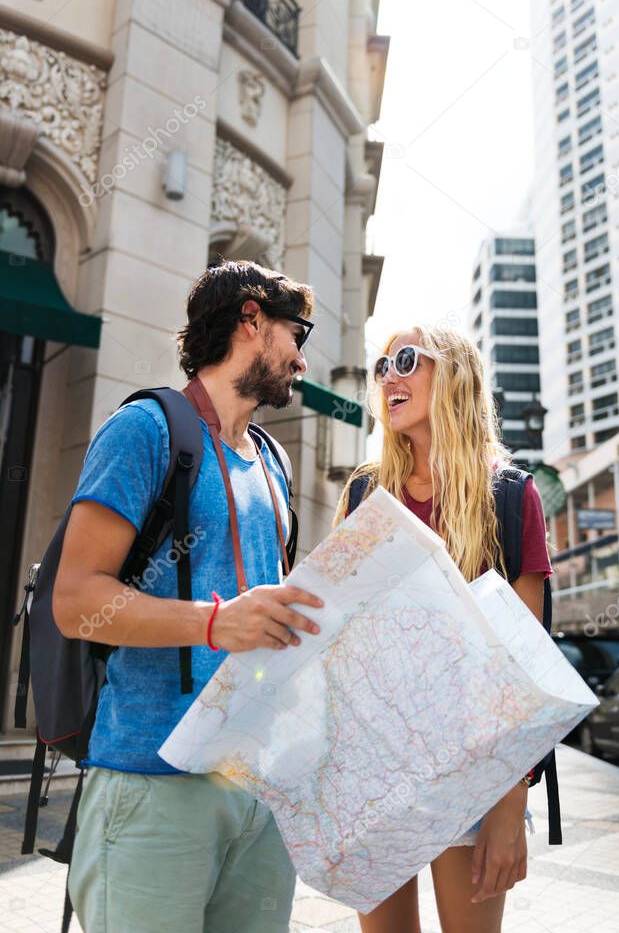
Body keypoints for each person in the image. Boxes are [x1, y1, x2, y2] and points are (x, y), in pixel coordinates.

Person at [53, 261, 325, 933]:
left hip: (258, 785)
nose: (300, 358)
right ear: (251, 319)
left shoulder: (271, 459)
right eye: (298, 334)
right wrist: (213, 623)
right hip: (152, 784)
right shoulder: (144, 429)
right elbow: (77, 599)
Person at [333, 324, 552, 933]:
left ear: (453, 373)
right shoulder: (365, 494)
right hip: (375, 768)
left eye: (406, 360)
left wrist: (511, 802)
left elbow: (523, 666)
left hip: (475, 772)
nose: (388, 377)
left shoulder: (509, 496)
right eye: (380, 367)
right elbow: (344, 640)